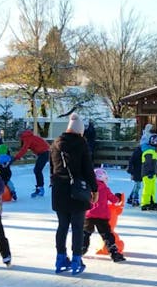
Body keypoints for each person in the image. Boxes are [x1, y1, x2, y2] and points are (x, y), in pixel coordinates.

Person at [50, 112, 98, 275]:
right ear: (80, 131)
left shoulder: (55, 143)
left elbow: (52, 168)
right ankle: (77, 259)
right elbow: (88, 169)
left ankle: (60, 257)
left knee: (62, 226)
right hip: (77, 190)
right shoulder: (81, 144)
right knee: (77, 227)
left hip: (59, 190)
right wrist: (94, 188)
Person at [83, 168, 126, 263]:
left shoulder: (88, 187)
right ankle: (114, 253)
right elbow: (114, 200)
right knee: (107, 235)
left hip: (89, 215)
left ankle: (81, 248)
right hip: (102, 216)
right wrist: (118, 198)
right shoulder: (105, 188)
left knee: (85, 233)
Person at [13, 128, 51, 198]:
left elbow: (24, 149)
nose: (19, 140)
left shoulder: (26, 138)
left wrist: (15, 158)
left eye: (18, 138)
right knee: (37, 170)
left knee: (37, 170)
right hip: (44, 152)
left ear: (20, 136)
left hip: (44, 153)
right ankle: (40, 187)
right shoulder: (29, 136)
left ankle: (40, 188)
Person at [140, 134, 157, 211]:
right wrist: (150, 172)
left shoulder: (153, 151)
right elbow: (148, 163)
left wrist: (156, 171)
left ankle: (152, 201)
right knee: (147, 189)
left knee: (152, 189)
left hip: (152, 174)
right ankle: (145, 203)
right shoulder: (149, 152)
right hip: (147, 174)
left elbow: (154, 164)